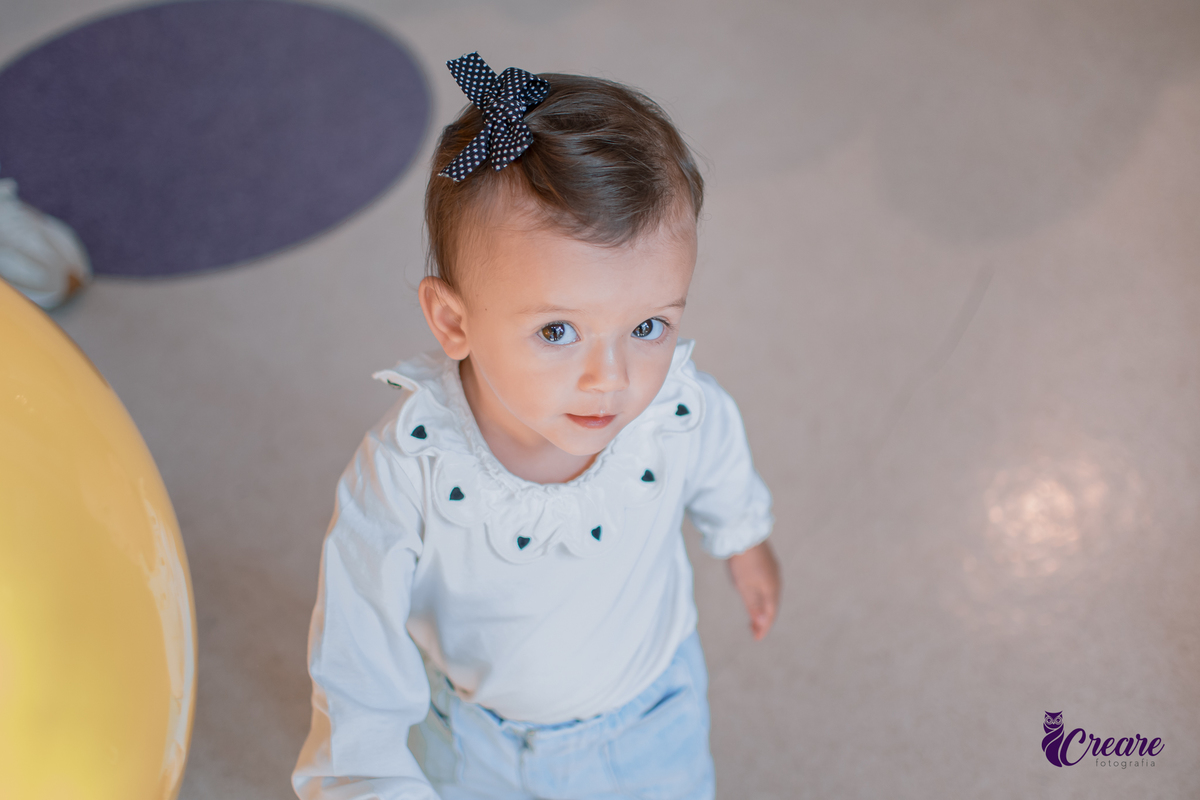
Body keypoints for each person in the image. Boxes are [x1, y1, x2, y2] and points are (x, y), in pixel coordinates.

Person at [292, 52, 781, 800]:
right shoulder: (406, 469)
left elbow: (717, 455)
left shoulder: (672, 411)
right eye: (558, 332)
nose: (611, 378)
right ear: (453, 321)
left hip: (653, 720)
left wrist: (743, 539)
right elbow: (356, 662)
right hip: (471, 743)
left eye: (648, 326)